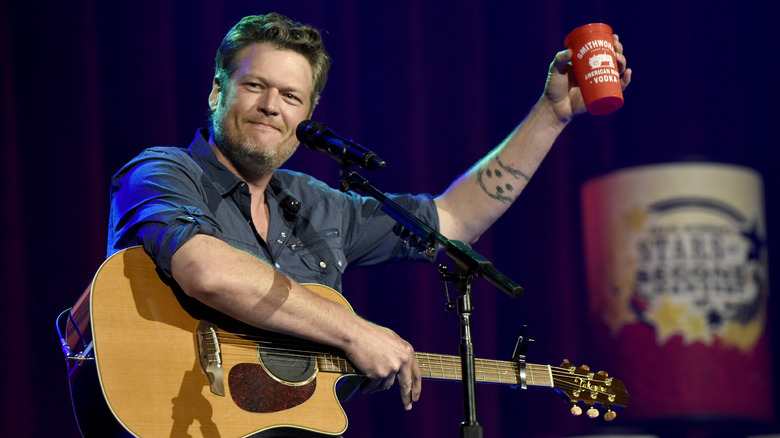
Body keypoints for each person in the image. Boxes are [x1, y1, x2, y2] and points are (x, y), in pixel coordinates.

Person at [108, 11, 630, 431]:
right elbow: (207, 271)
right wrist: (355, 331)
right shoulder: (162, 171)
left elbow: (449, 220)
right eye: (254, 87)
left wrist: (552, 114)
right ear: (217, 92)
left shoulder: (316, 204)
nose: (271, 107)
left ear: (307, 115)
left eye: (291, 97)